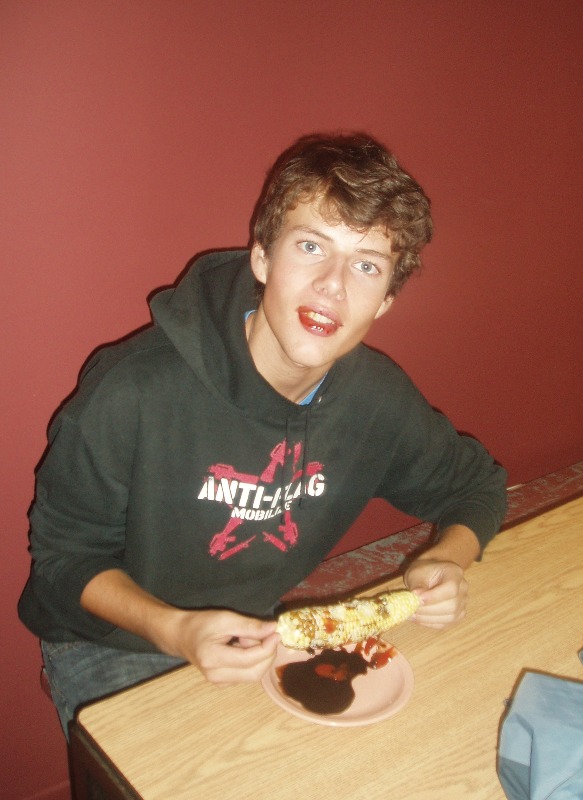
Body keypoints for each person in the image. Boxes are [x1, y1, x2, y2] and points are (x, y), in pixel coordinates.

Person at [19, 133, 507, 737]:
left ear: (384, 301)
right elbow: (63, 558)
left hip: (254, 630)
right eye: (311, 246)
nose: (333, 285)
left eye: (366, 265)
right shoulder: (133, 390)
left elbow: (476, 486)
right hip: (109, 641)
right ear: (261, 258)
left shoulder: (376, 400)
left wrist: (446, 559)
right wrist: (176, 629)